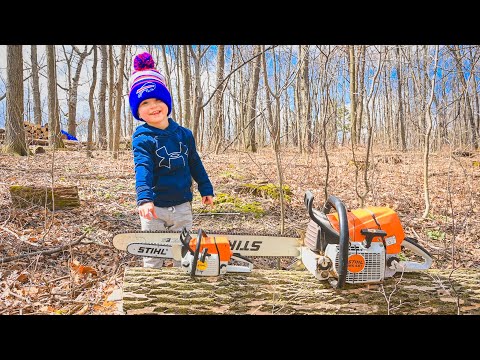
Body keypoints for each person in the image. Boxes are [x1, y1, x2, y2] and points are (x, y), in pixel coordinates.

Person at [129, 52, 214, 268]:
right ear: (138, 110)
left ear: (167, 102)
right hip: (154, 207)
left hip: (182, 205)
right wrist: (145, 198)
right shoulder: (142, 137)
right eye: (145, 102)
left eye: (158, 99)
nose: (153, 106)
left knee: (182, 251)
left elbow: (194, 161)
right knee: (153, 254)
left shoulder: (184, 134)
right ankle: (151, 285)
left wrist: (206, 188)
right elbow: (143, 168)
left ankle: (179, 285)